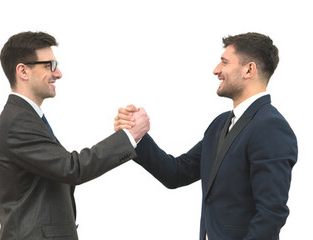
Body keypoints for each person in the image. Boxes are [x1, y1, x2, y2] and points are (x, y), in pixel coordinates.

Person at [116, 32, 297, 240]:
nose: (216, 70)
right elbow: (176, 173)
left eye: (224, 62)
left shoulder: (271, 127)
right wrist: (136, 136)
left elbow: (271, 214)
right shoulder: (220, 125)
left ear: (249, 70)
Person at [0, 31, 149, 240]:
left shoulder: (25, 118)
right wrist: (129, 136)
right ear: (23, 71)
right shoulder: (18, 122)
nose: (59, 74)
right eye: (50, 66)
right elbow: (71, 168)